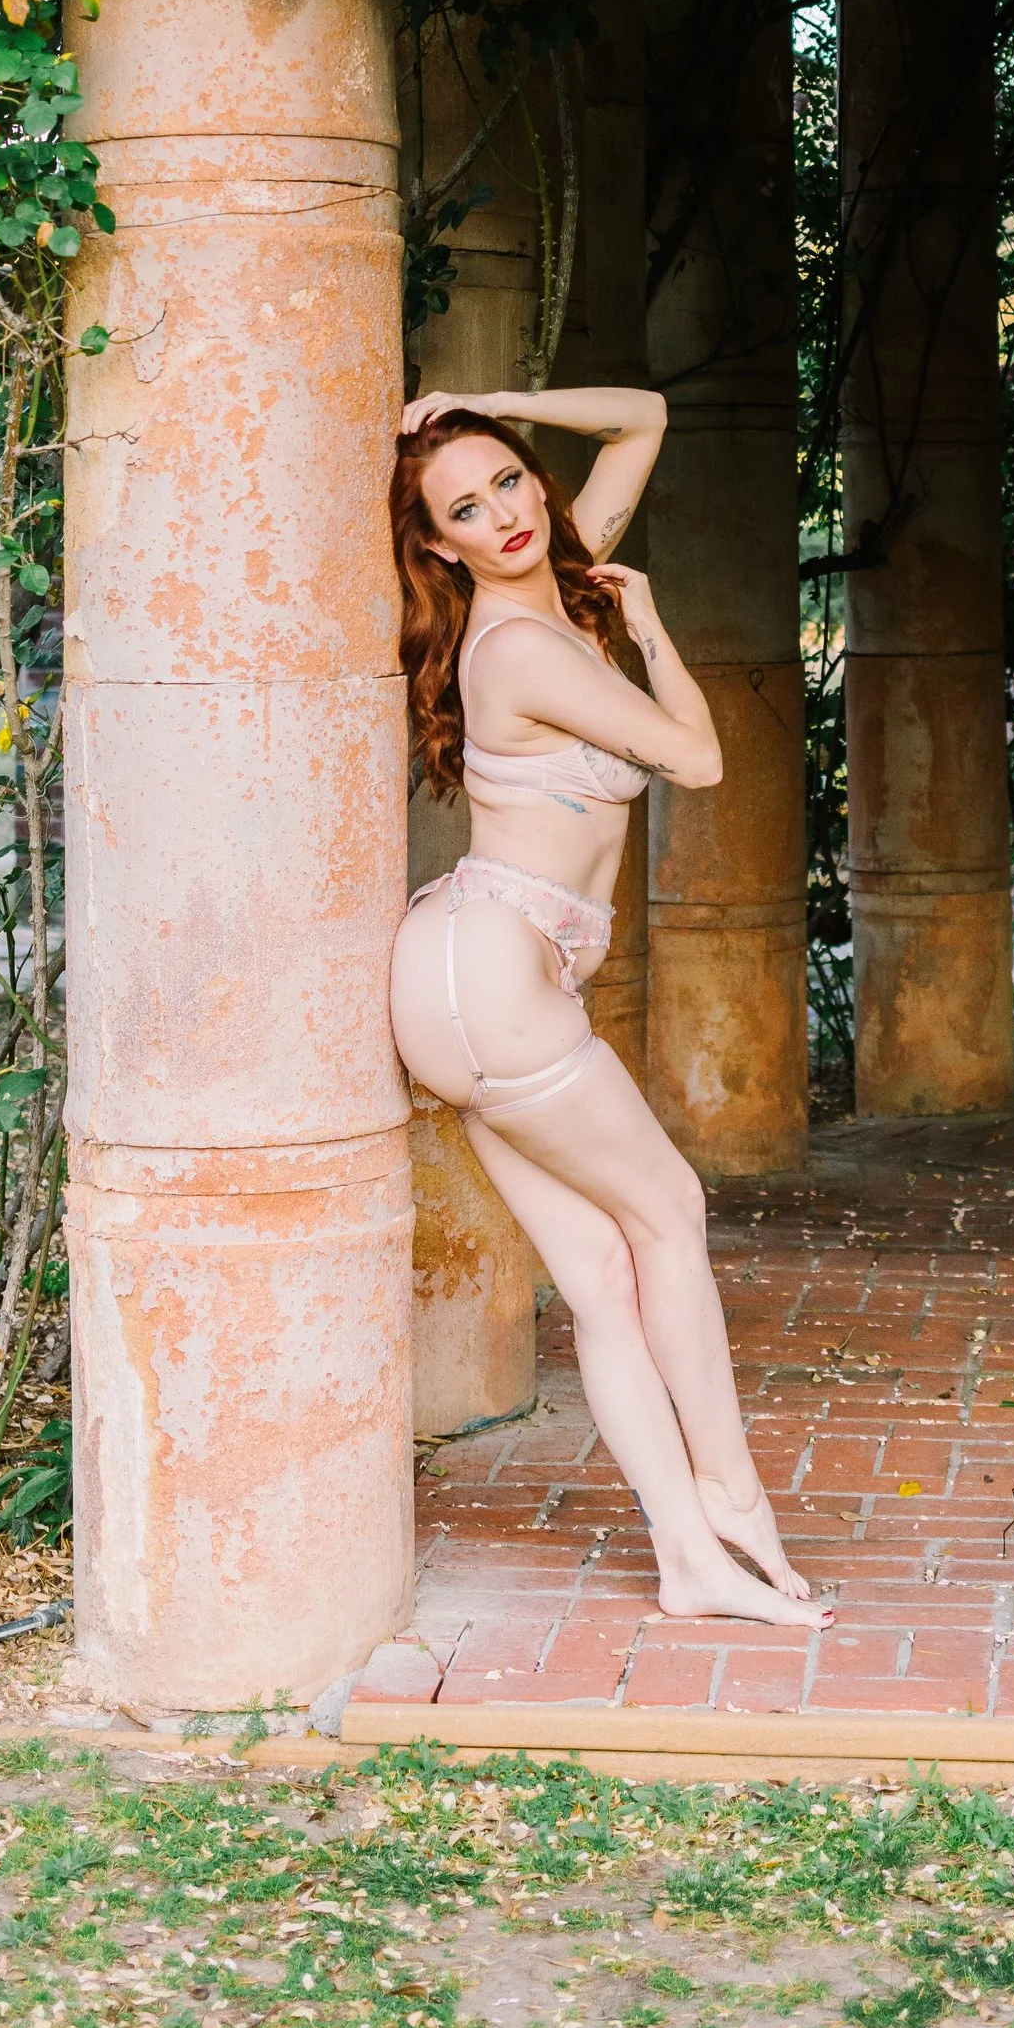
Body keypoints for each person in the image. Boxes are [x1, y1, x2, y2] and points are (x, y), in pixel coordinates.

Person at [390, 384, 823, 1630]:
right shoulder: (527, 645)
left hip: (471, 979)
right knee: (668, 1211)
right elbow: (696, 756)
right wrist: (657, 630)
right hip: (494, 971)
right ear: (438, 545)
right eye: (463, 509)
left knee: (599, 1272)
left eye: (510, 481)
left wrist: (491, 404)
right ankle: (729, 1489)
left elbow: (642, 418)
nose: (505, 515)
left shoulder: (547, 584)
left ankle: (686, 1559)